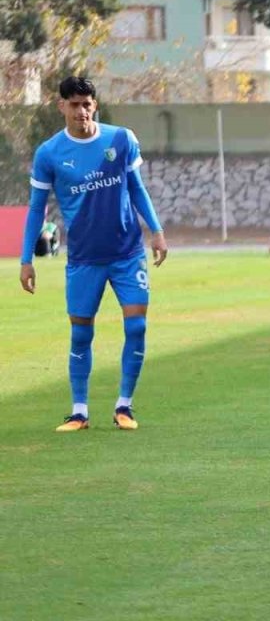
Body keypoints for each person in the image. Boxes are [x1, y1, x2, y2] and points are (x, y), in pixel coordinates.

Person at [19, 76, 168, 432]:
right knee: (81, 333)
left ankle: (124, 407)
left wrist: (157, 231)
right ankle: (79, 412)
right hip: (84, 259)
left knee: (137, 325)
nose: (81, 111)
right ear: (61, 107)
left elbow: (137, 189)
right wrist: (27, 258)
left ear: (95, 105)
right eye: (74, 104)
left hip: (127, 253)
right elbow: (36, 209)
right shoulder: (50, 154)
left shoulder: (120, 139)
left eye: (87, 104)